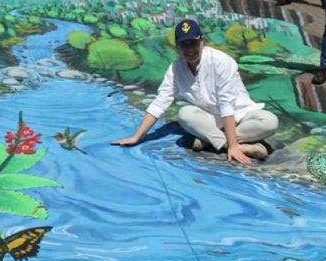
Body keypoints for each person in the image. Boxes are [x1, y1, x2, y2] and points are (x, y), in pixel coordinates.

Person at [111, 19, 278, 164]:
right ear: (177, 46)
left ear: (202, 42)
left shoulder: (220, 61)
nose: (189, 49)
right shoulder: (175, 68)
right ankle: (238, 146)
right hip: (211, 120)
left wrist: (234, 146)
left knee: (269, 122)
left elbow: (226, 104)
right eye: (184, 44)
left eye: (193, 43)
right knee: (185, 114)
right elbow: (160, 102)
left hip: (240, 116)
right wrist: (137, 137)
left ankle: (210, 140)